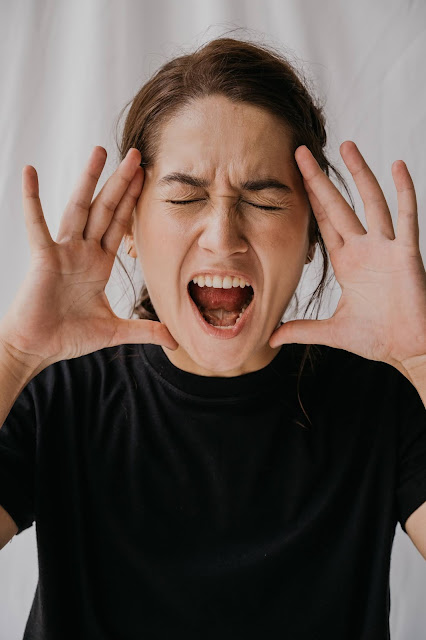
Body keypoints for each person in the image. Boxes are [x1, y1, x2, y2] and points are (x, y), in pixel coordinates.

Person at [0, 36, 425, 640]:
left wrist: (422, 357)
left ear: (313, 237)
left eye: (264, 199)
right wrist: (15, 357)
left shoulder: (381, 400)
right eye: (184, 197)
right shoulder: (57, 393)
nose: (223, 236)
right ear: (128, 228)